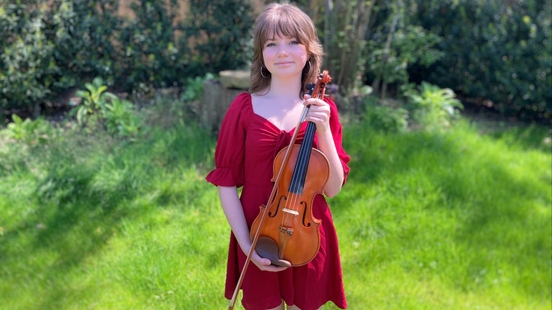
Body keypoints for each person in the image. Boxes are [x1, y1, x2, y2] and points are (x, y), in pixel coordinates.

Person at [206, 3, 350, 310]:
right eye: (272, 44)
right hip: (258, 228)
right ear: (261, 54)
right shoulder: (243, 108)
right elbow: (227, 182)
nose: (282, 52)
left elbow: (332, 189)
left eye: (293, 42)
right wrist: (246, 245)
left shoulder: (323, 110)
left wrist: (322, 130)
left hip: (307, 233)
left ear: (310, 50)